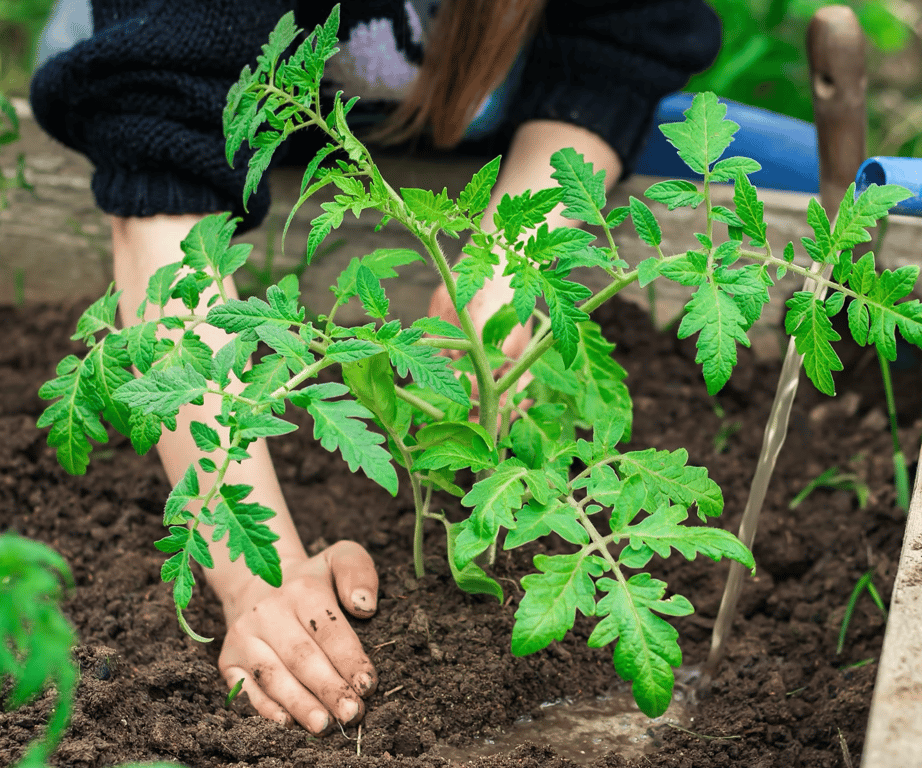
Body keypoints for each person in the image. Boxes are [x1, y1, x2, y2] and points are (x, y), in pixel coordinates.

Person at [30, 0, 722, 736]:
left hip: (476, 125)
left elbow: (612, 45)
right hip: (184, 91)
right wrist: (257, 575)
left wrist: (506, 275)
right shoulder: (175, 82)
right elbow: (164, 184)